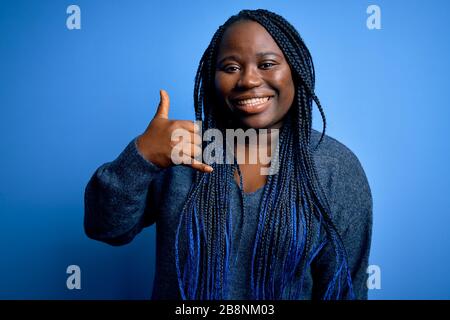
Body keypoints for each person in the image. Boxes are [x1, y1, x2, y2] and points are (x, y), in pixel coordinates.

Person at [84, 9, 372, 300]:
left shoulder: (333, 167)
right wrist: (142, 155)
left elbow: (346, 291)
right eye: (231, 67)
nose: (248, 80)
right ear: (212, 78)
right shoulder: (180, 150)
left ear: (295, 72)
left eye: (267, 63)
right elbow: (105, 228)